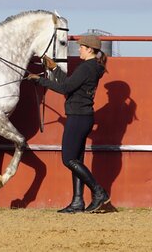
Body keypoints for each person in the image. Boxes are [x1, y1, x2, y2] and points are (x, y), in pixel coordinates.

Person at [28, 35, 111, 213]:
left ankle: (98, 192)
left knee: (68, 159)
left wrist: (39, 80)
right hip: (84, 117)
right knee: (77, 159)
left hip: (77, 117)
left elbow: (65, 88)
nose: (79, 49)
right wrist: (55, 68)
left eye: (81, 47)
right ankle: (77, 202)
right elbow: (70, 85)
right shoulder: (94, 67)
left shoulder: (86, 67)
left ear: (89, 49)